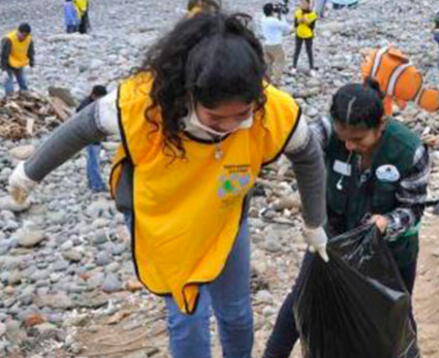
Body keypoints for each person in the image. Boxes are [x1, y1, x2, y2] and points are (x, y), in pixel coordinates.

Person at [7, 13, 329, 358]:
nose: (231, 126)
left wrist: (314, 223)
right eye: (216, 117)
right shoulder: (144, 102)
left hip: (224, 214)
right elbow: (83, 127)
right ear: (189, 94)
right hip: (163, 219)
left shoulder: (272, 111)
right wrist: (30, 172)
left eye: (242, 114)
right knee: (188, 317)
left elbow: (308, 155)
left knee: (236, 314)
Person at [262, 80, 430, 358]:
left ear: (381, 124)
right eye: (344, 138)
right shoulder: (327, 131)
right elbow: (299, 144)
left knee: (394, 312)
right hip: (331, 238)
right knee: (303, 298)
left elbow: (413, 209)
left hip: (390, 249)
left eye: (359, 139)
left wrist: (387, 223)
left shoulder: (409, 151)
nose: (350, 145)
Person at [360, 46, 439, 116]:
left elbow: (398, 56)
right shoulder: (409, 92)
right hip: (378, 78)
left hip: (376, 73)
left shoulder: (417, 80)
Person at [77, 85, 108, 192]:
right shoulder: (86, 106)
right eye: (100, 97)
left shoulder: (93, 103)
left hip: (94, 136)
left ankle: (92, 182)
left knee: (92, 160)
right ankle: (97, 185)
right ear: (94, 95)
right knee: (94, 161)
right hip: (91, 137)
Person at [262, 3, 291, 86]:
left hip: (266, 45)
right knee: (280, 62)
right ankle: (276, 81)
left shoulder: (263, 19)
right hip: (276, 45)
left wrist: (278, 14)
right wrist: (283, 16)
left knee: (268, 63)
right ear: (271, 11)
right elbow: (286, 27)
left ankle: (267, 81)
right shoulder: (273, 21)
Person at [1, 23, 34, 97]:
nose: (23, 37)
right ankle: (10, 99)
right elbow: (3, 55)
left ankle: (26, 96)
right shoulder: (8, 39)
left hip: (19, 63)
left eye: (25, 35)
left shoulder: (29, 39)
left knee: (22, 80)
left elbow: (30, 51)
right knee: (9, 83)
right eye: (22, 35)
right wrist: (3, 70)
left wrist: (31, 63)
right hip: (8, 63)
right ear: (18, 31)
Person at [293, 0, 318, 75]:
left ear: (308, 4)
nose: (302, 4)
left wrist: (308, 22)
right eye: (301, 3)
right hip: (299, 34)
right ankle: (294, 67)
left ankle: (312, 68)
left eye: (304, 3)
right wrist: (299, 21)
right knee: (297, 50)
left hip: (308, 35)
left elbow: (312, 27)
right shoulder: (297, 12)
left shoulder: (313, 14)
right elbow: (295, 25)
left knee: (309, 51)